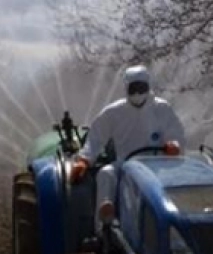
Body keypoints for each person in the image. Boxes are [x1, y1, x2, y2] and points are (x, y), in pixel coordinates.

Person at [70, 65, 186, 224]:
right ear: (126, 88)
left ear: (148, 86)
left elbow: (175, 134)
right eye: (133, 88)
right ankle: (105, 222)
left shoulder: (162, 108)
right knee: (105, 173)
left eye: (141, 87)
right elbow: (96, 137)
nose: (137, 93)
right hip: (126, 165)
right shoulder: (114, 112)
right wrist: (84, 160)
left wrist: (174, 145)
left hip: (158, 166)